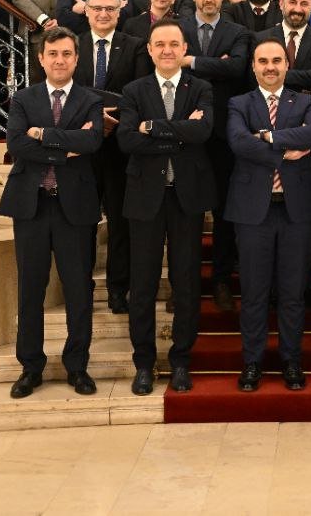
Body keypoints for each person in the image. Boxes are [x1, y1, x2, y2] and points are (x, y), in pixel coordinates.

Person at [0, 26, 104, 399]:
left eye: (66, 54)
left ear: (77, 59)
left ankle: (78, 366)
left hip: (75, 207)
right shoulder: (23, 99)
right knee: (31, 289)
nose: (60, 60)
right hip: (32, 206)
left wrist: (42, 134)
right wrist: (64, 149)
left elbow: (92, 140)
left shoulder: (90, 100)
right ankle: (30, 367)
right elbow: (16, 144)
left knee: (79, 290)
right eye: (53, 54)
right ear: (41, 59)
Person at [116, 20, 216, 396]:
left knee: (186, 282)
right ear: (150, 49)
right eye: (160, 44)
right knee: (142, 284)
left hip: (186, 197)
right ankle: (144, 364)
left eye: (174, 43)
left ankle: (181, 361)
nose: (167, 50)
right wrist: (177, 130)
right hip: (145, 198)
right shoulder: (134, 90)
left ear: (185, 48)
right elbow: (127, 139)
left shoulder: (200, 88)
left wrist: (152, 128)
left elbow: (202, 132)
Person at [225, 38, 311, 392]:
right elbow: (239, 141)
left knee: (293, 292)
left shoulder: (305, 101)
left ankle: (291, 361)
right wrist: (283, 150)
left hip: (296, 211)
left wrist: (266, 136)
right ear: (253, 66)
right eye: (263, 61)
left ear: (286, 65)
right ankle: (252, 362)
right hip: (254, 211)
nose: (270, 67)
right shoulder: (239, 103)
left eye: (276, 60)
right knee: (254, 292)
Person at [256, 0, 311, 310]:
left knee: (308, 219)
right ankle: (272, 288)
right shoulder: (262, 38)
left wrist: (280, 75)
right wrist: (306, 81)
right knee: (268, 218)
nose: (298, 9)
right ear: (281, 3)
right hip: (267, 138)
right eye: (293, 2)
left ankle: (308, 286)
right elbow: (252, 79)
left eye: (305, 4)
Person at [73, 0, 149, 316]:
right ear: (87, 11)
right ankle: (82, 288)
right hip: (82, 149)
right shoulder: (72, 45)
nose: (103, 14)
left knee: (121, 224)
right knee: (82, 223)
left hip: (120, 147)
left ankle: (119, 290)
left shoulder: (135, 46)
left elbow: (138, 92)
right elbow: (66, 90)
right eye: (97, 8)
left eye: (110, 9)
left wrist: (112, 119)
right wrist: (93, 117)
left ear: (119, 12)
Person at [179, 0, 252, 312]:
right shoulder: (177, 29)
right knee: (187, 212)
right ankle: (185, 284)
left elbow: (237, 69)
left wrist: (192, 61)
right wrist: (215, 65)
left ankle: (221, 280)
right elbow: (169, 66)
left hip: (224, 135)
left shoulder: (238, 32)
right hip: (186, 131)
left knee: (225, 212)